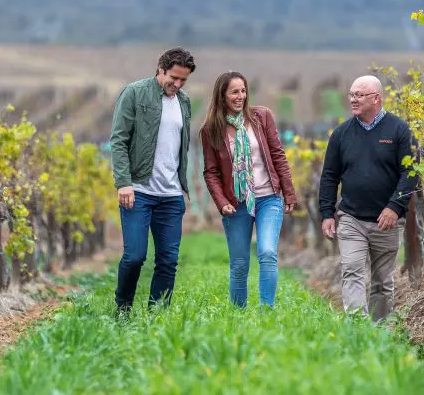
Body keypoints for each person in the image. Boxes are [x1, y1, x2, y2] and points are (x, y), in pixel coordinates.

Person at [318, 74, 418, 323]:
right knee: (352, 270)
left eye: (359, 95)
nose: (353, 99)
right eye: (351, 94)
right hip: (351, 218)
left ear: (376, 98)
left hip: (387, 220)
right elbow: (330, 176)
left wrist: (395, 207)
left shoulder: (399, 130)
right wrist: (327, 213)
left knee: (382, 282)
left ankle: (379, 331)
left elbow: (411, 172)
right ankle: (358, 328)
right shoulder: (341, 134)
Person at [109, 47, 195, 315]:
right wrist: (124, 182)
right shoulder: (134, 93)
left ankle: (157, 316)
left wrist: (182, 187)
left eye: (183, 80)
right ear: (160, 69)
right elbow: (119, 140)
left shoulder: (184, 102)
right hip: (138, 191)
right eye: (174, 78)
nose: (177, 85)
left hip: (170, 195)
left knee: (168, 260)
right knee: (135, 257)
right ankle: (122, 309)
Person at [200, 71, 297, 308]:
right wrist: (221, 202)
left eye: (243, 91)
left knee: (266, 253)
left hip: (268, 198)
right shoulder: (210, 130)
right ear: (222, 96)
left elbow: (277, 154)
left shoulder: (261, 117)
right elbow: (211, 172)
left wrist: (289, 191)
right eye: (234, 92)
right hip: (236, 203)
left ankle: (267, 310)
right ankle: (238, 315)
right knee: (240, 264)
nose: (240, 96)